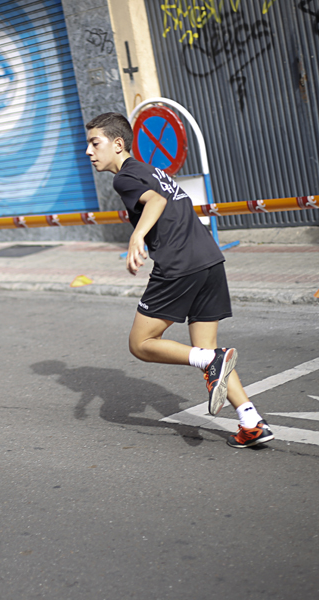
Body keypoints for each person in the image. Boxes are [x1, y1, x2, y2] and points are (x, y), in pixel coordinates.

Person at [84, 112, 273, 448]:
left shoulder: (124, 178)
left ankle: (210, 362)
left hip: (179, 265)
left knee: (141, 344)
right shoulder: (154, 170)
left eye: (94, 143)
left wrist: (136, 237)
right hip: (210, 260)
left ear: (117, 144)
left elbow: (155, 202)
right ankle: (251, 420)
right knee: (208, 351)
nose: (88, 151)